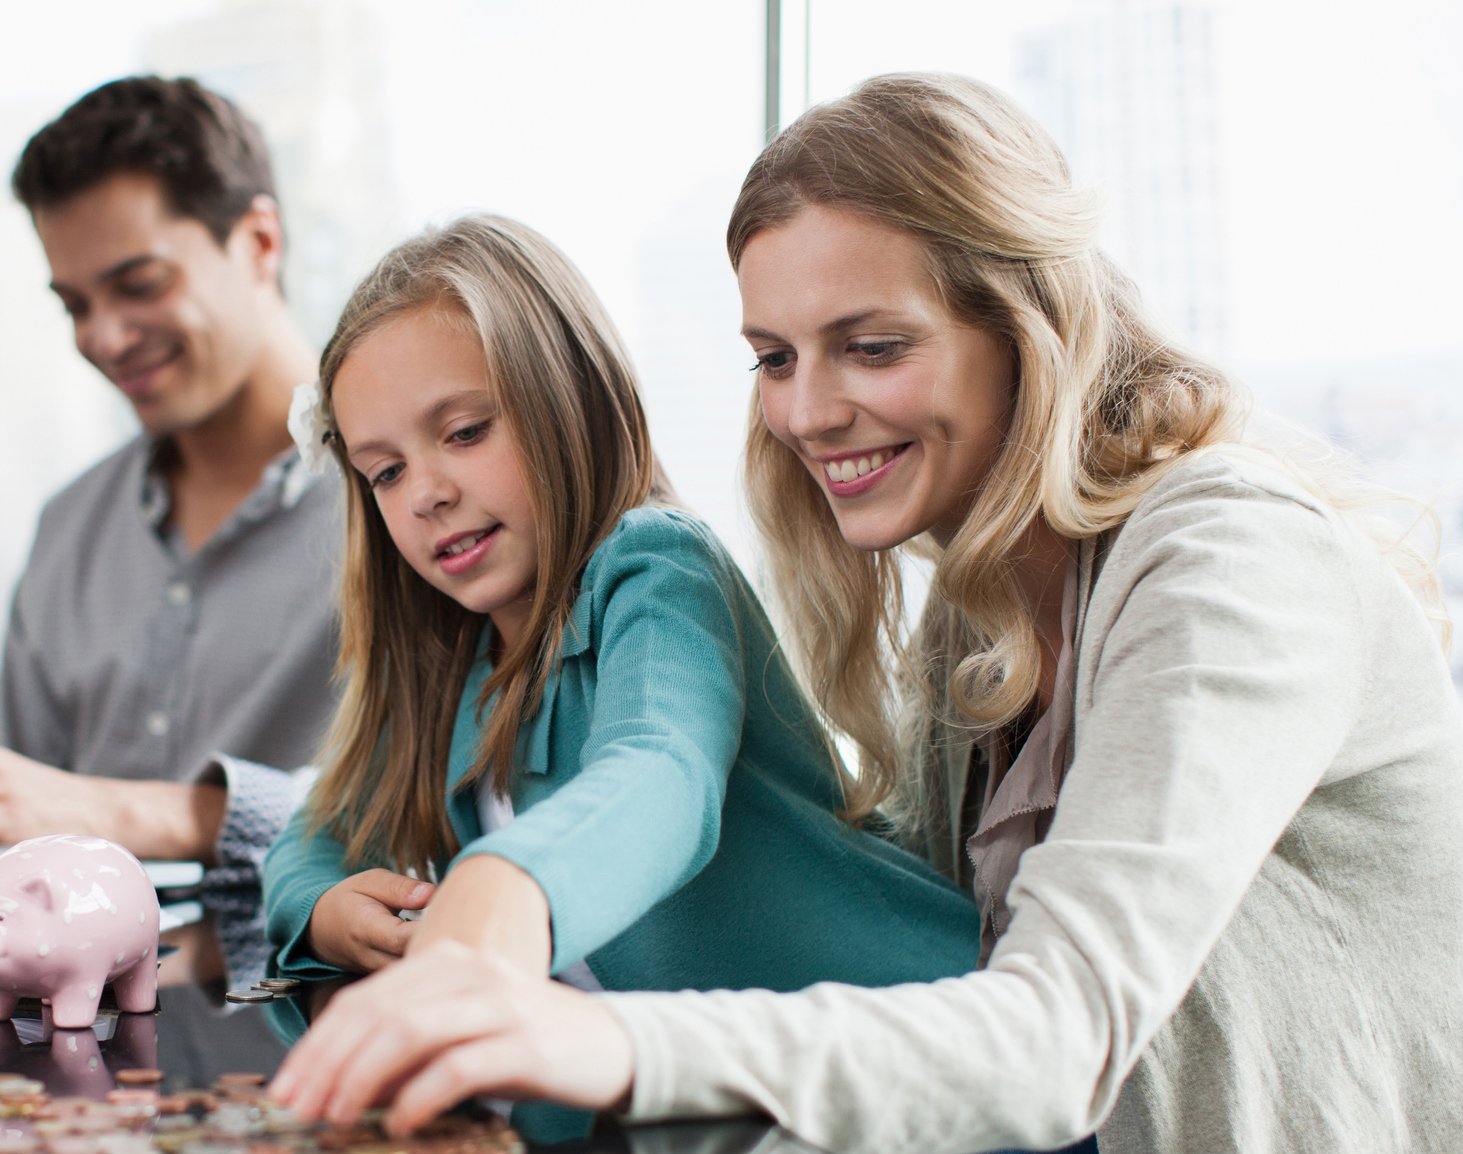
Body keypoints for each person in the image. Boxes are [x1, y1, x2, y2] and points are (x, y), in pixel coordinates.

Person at [268, 75, 1463, 1154]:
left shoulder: (1229, 560)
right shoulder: (976, 624)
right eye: (773, 358)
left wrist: (610, 1039)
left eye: (870, 347)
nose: (808, 412)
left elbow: (1052, 1037)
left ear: (1027, 324)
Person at [261, 214, 978, 1041]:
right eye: (384, 472)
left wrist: (507, 884)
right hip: (724, 1129)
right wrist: (321, 911)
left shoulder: (657, 566)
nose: (425, 492)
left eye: (463, 433)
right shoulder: (449, 661)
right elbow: (317, 829)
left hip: (927, 1065)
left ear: (569, 401)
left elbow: (659, 773)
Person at [0, 77, 338, 985]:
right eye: (74, 304)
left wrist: (126, 813)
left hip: (313, 1053)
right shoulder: (70, 527)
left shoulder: (406, 502)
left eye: (138, 285)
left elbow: (454, 814)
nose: (104, 336)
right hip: (72, 1068)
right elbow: (11, 833)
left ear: (258, 243)